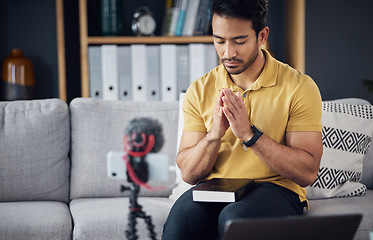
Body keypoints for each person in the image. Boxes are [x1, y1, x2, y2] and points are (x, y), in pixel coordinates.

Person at [162, 0, 323, 239]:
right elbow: (188, 174)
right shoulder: (199, 90)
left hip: (277, 189)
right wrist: (214, 135)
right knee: (180, 223)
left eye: (239, 41)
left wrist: (250, 135)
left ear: (262, 36)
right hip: (215, 188)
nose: (228, 53)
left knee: (234, 220)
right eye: (219, 41)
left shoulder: (299, 87)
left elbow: (307, 173)